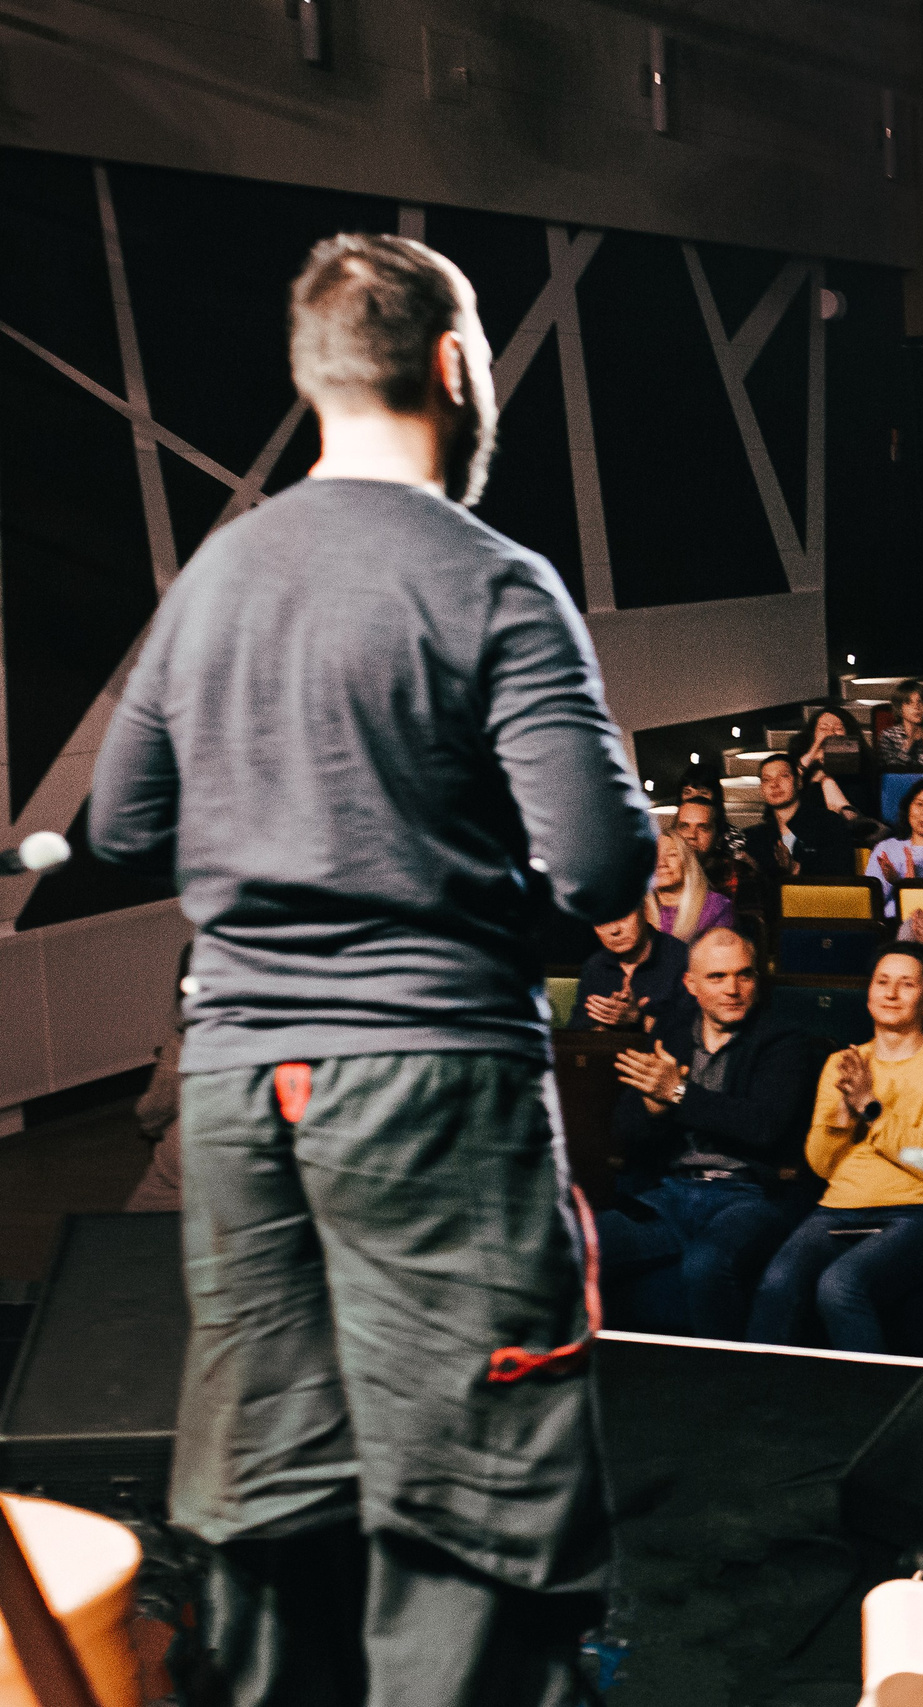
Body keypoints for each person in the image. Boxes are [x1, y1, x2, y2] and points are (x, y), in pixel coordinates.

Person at [87, 232, 659, 1699]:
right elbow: (600, 866)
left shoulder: (216, 573)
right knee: (469, 1503)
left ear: (311, 375)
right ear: (456, 368)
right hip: (433, 1075)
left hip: (234, 1088)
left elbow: (121, 823)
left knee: (272, 1486)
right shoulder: (490, 580)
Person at [598, 928, 827, 1338]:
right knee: (581, 1245)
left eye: (744, 975)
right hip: (671, 1193)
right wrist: (653, 1106)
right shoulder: (670, 1034)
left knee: (705, 1266)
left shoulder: (783, 1040)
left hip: (748, 1196)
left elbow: (763, 1127)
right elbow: (626, 1131)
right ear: (691, 984)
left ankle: (725, 1387)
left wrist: (678, 1094)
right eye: (717, 977)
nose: (733, 989)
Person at [746, 946, 923, 1353]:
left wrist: (871, 1108)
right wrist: (843, 1119)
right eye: (882, 982)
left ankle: (875, 1405)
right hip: (839, 1208)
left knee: (839, 1285)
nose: (891, 993)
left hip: (918, 1211)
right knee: (777, 1283)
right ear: (867, 995)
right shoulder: (842, 1064)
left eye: (907, 983)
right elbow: (820, 1164)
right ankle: (763, 1397)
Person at [744, 752, 862, 883]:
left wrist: (795, 868)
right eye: (766, 780)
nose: (774, 784)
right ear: (761, 789)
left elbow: (842, 876)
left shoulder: (828, 824)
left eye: (783, 776)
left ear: (799, 782)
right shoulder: (754, 836)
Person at [572, 908, 688, 1032]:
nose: (614, 930)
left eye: (623, 916)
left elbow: (693, 1034)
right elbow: (576, 1033)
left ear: (644, 910)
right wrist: (601, 1026)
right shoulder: (595, 966)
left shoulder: (682, 959)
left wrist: (638, 1018)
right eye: (602, 921)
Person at [869, 777, 923, 916]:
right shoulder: (886, 848)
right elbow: (871, 903)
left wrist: (914, 887)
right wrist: (892, 882)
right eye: (919, 804)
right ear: (908, 807)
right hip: (891, 925)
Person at [644, 830, 733, 945]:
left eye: (672, 854)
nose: (661, 863)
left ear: (687, 861)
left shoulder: (716, 907)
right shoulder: (636, 910)